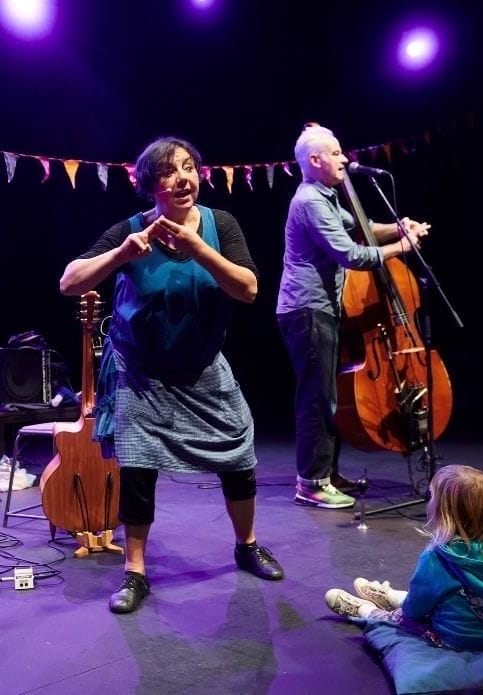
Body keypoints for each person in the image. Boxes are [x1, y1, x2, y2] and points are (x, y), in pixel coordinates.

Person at [58, 136, 284, 615]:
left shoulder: (221, 224)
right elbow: (69, 282)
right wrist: (121, 255)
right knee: (138, 468)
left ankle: (246, 545)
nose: (182, 178)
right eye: (168, 172)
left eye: (188, 168)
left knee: (238, 454)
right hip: (140, 371)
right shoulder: (130, 229)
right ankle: (135, 571)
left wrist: (198, 248)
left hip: (202, 366)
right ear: (149, 185)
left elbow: (248, 289)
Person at [276, 123, 429, 509]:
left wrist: (398, 226)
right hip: (307, 308)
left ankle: (326, 473)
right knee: (317, 398)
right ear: (315, 160)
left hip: (321, 308)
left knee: (328, 396)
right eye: (336, 153)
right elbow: (351, 254)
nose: (345, 159)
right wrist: (401, 247)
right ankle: (311, 483)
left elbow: (362, 228)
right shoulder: (310, 201)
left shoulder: (326, 196)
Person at [323, 465, 483, 651]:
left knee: (401, 618)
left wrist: (404, 611)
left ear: (445, 512)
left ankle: (365, 610)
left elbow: (414, 611)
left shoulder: (437, 558)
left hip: (451, 641)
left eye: (432, 496)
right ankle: (390, 596)